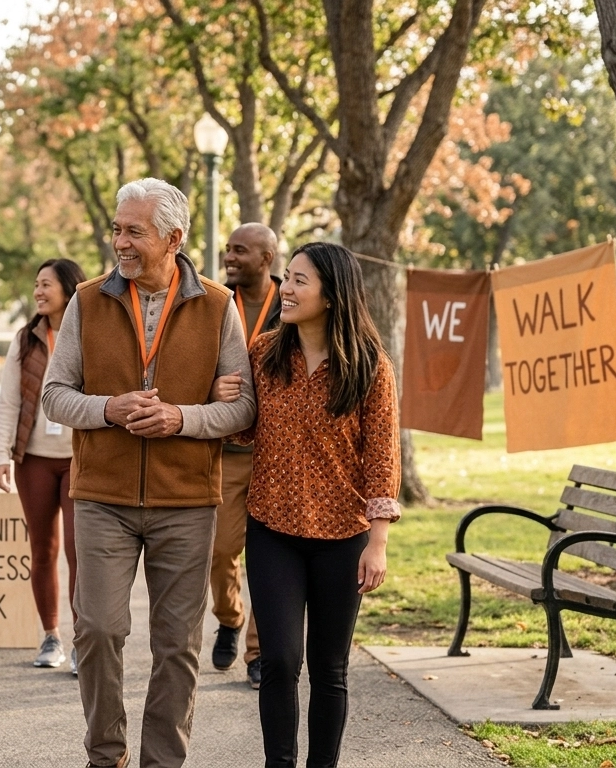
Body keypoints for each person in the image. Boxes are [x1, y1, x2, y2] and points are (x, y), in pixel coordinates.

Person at [41, 177, 256, 768]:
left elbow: (242, 409)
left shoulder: (218, 305)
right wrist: (108, 409)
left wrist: (180, 419)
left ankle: (164, 762)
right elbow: (55, 396)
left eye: (135, 231)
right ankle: (105, 755)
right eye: (118, 229)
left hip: (186, 500)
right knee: (99, 630)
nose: (121, 242)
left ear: (173, 238)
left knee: (178, 647)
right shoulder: (86, 300)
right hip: (102, 497)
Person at [222, 242, 400, 768]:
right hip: (273, 527)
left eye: (300, 280)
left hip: (343, 537)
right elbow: (248, 428)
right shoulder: (266, 352)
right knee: (279, 659)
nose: (289, 289)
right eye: (289, 278)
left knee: (330, 669)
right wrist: (226, 396)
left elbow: (382, 458)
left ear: (333, 293)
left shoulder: (370, 366)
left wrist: (378, 541)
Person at [0, 258, 87, 672]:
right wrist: (1, 455)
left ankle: (85, 639)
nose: (38, 292)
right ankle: (51, 637)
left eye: (46, 284)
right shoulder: (26, 339)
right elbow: (9, 401)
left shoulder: (91, 333)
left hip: (79, 457)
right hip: (34, 459)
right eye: (36, 285)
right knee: (42, 550)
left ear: (69, 287)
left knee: (79, 551)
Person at [210, 222, 282, 689]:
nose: (230, 256)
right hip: (230, 449)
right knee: (221, 550)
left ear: (266, 259)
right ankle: (230, 617)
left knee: (269, 558)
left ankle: (258, 651)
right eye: (228, 249)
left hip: (277, 452)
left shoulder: (292, 302)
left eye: (240, 250)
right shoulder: (217, 302)